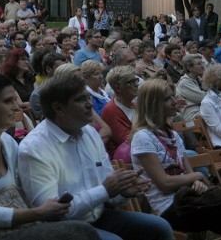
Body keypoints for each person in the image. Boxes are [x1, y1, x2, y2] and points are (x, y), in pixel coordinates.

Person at [0, 73, 100, 240]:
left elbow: (22, 194)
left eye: (15, 100)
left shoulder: (7, 143)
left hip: (7, 231)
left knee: (80, 230)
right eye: (8, 101)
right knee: (80, 233)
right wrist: (38, 213)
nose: (16, 107)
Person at [18, 71, 173, 240]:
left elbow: (108, 192)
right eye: (80, 99)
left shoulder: (90, 133)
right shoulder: (35, 148)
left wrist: (123, 192)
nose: (90, 104)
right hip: (60, 230)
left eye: (88, 98)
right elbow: (53, 213)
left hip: (97, 216)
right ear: (58, 108)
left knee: (159, 227)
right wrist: (105, 190)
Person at [131, 78, 221, 238]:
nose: (174, 102)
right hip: (172, 208)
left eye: (173, 96)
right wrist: (198, 176)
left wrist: (197, 182)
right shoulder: (143, 137)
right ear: (153, 104)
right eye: (167, 99)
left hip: (192, 199)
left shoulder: (172, 134)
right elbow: (164, 184)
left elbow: (187, 173)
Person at [101, 66, 138, 160]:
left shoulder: (135, 105)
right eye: (131, 82)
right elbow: (128, 141)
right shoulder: (111, 110)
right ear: (118, 88)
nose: (136, 84)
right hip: (124, 162)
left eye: (136, 80)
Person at [175, 54, 206, 121]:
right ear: (190, 68)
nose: (203, 66)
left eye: (202, 63)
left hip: (203, 110)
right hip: (193, 116)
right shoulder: (184, 83)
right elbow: (203, 98)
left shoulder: (199, 80)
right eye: (199, 64)